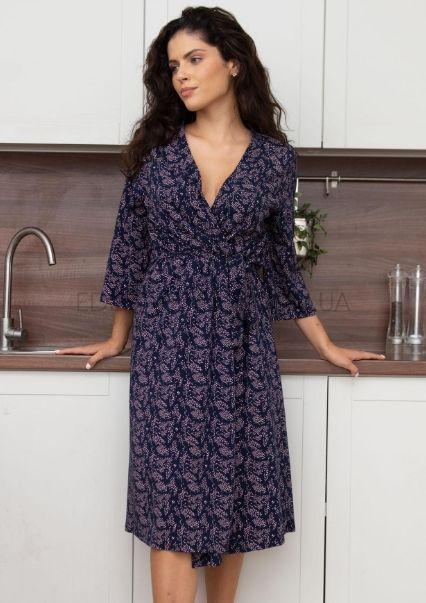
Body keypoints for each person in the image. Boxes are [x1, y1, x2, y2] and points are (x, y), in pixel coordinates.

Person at [56, 6, 385, 603]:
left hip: (241, 342)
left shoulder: (274, 160)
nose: (181, 74)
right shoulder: (156, 152)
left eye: (194, 59)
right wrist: (118, 336)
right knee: (170, 500)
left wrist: (326, 344)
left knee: (233, 491)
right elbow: (129, 249)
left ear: (232, 64)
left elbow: (279, 262)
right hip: (167, 344)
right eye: (173, 65)